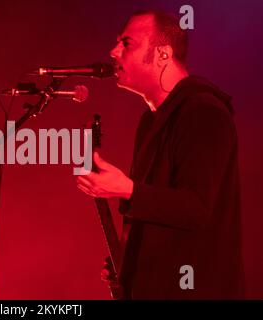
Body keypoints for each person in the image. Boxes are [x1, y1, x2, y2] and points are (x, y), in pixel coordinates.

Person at [76, 10, 245, 299]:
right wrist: (129, 261)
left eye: (127, 43)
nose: (113, 51)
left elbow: (197, 208)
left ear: (163, 54)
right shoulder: (151, 120)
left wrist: (127, 190)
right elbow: (160, 209)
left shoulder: (202, 112)